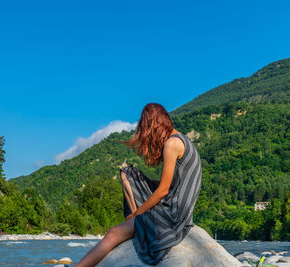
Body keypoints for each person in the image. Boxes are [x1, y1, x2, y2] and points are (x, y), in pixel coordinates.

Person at [75, 103, 202, 266]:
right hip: (173, 205)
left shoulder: (172, 144)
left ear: (153, 125)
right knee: (127, 173)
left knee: (113, 233)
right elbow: (171, 185)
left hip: (173, 214)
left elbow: (163, 190)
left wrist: (138, 214)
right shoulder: (180, 140)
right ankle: (138, 223)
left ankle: (136, 221)